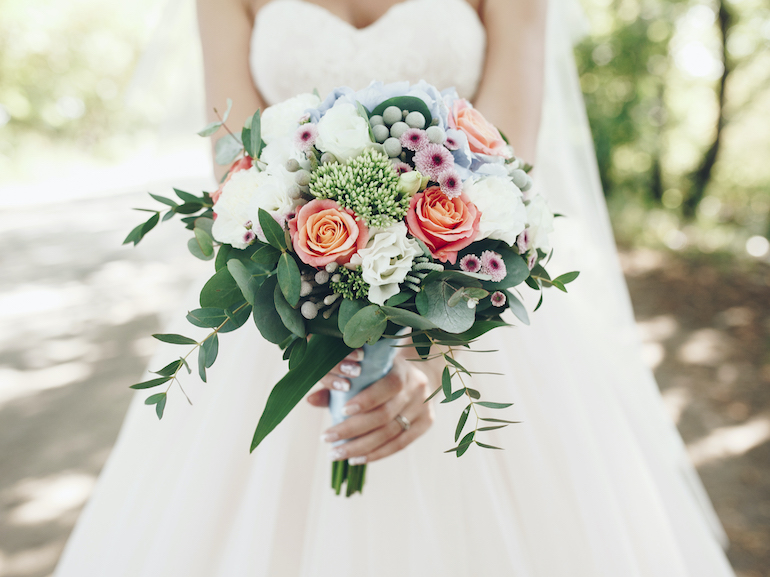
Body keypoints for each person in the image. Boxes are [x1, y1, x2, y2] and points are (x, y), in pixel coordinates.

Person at [55, 0, 738, 575]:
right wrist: (328, 317)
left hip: (473, 293)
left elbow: (505, 168)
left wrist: (426, 350)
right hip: (293, 301)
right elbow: (238, 163)